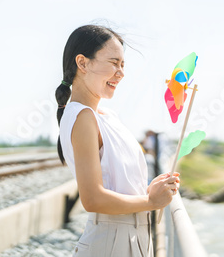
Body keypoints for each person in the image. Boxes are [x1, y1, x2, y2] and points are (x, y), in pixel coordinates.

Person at [55, 24, 180, 256]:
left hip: (132, 239)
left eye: (122, 65)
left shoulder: (106, 116)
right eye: (114, 63)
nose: (121, 73)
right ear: (82, 63)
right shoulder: (82, 117)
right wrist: (151, 202)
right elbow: (93, 199)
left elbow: (118, 182)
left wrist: (150, 190)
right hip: (111, 243)